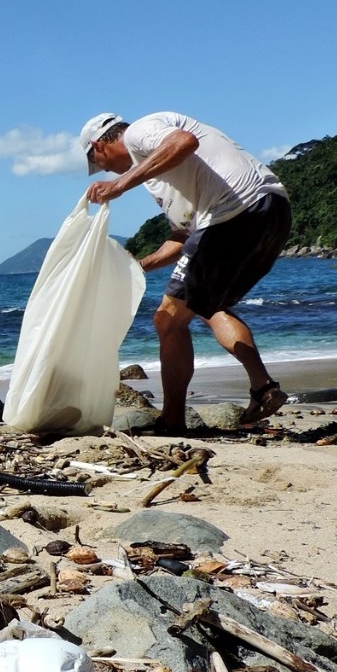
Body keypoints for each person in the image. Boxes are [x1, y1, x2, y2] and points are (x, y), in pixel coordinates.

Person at [80, 111, 291, 432]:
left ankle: (173, 420)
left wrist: (120, 184)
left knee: (168, 319)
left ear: (100, 145)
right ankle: (264, 389)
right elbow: (184, 236)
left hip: (233, 212)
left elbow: (184, 142)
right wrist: (138, 267)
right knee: (208, 306)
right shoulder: (161, 175)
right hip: (272, 212)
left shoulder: (139, 132)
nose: (105, 169)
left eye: (99, 162)